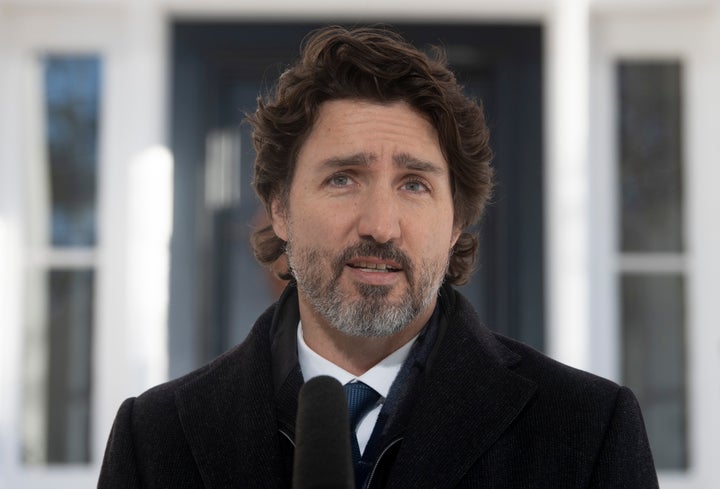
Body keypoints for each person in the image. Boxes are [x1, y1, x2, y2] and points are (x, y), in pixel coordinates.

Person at [98, 26, 658, 488]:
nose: (380, 226)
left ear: (456, 220)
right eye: (343, 178)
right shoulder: (153, 440)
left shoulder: (588, 432)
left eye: (415, 185)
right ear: (280, 209)